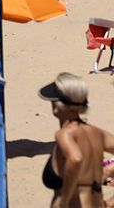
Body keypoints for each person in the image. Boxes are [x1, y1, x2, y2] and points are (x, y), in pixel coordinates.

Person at [41, 73, 113, 207]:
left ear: (58, 105)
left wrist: (64, 200)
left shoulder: (65, 134)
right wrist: (109, 171)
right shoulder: (98, 133)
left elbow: (75, 159)